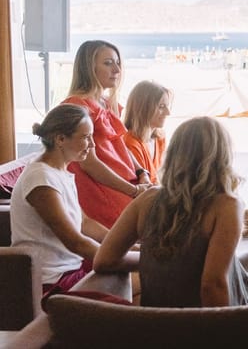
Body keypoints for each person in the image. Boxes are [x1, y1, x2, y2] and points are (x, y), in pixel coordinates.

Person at [95, 116, 248, 307]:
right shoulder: (227, 205)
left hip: (157, 321)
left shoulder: (147, 200)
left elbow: (104, 260)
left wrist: (160, 262)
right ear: (222, 158)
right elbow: (212, 285)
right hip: (200, 324)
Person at [11, 104, 138, 300]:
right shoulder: (40, 178)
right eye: (86, 137)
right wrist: (126, 258)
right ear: (60, 139)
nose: (92, 145)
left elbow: (84, 223)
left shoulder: (60, 172)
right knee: (142, 279)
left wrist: (125, 245)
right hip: (51, 280)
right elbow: (74, 241)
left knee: (141, 276)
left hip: (70, 269)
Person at [62, 40, 151, 229]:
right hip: (103, 192)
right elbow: (89, 163)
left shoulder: (105, 103)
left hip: (126, 185)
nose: (117, 70)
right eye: (108, 63)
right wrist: (134, 190)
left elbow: (121, 146)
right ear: (89, 68)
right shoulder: (77, 106)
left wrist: (141, 172)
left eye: (118, 63)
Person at [123, 80, 172, 185]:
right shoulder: (130, 143)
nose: (168, 112)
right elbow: (147, 188)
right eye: (161, 106)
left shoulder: (160, 138)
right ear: (143, 108)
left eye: (167, 106)